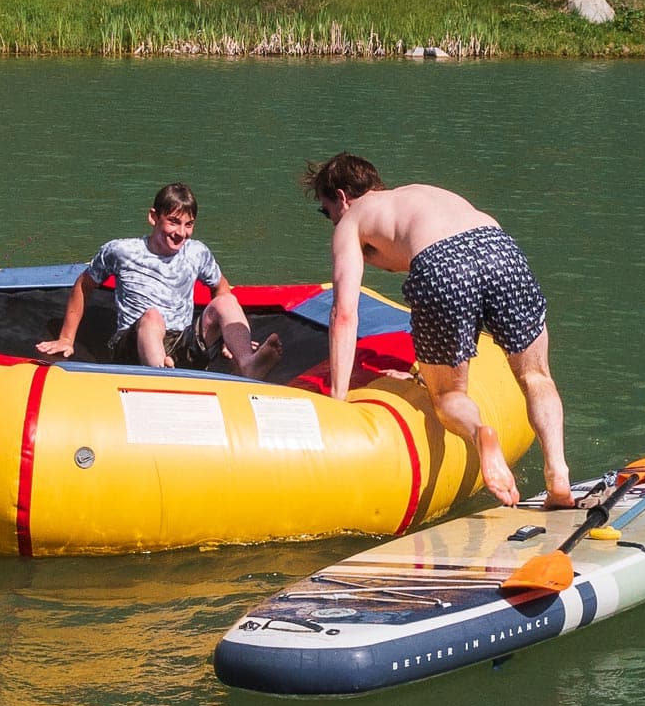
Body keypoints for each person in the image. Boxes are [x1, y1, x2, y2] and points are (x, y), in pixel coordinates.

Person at [303, 153, 570, 508]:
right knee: (537, 377)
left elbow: (344, 314)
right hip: (499, 247)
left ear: (341, 196)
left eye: (327, 212)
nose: (332, 220)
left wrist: (338, 398)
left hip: (442, 264)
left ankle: (480, 434)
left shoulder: (352, 219)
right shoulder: (419, 194)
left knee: (448, 397)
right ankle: (559, 477)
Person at [37, 182, 282, 377]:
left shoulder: (197, 252)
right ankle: (159, 376)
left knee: (226, 302)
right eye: (173, 222)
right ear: (154, 217)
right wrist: (66, 339)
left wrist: (230, 339)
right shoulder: (122, 251)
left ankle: (247, 363)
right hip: (133, 344)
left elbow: (220, 287)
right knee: (153, 317)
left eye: (188, 225)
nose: (180, 233)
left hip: (182, 344)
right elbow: (84, 284)